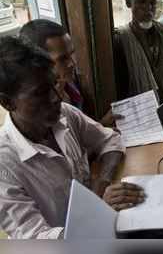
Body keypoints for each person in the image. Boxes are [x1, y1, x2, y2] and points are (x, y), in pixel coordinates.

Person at [0, 37, 145, 239]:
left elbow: (110, 140)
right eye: (40, 93)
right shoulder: (4, 166)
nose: (56, 98)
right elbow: (37, 239)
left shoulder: (65, 114)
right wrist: (97, 211)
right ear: (8, 103)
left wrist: (102, 183)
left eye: (54, 84)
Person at [19, 19, 120, 127]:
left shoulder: (69, 85)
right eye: (62, 59)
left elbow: (78, 132)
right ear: (39, 63)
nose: (72, 63)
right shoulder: (40, 110)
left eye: (72, 54)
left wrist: (101, 125)